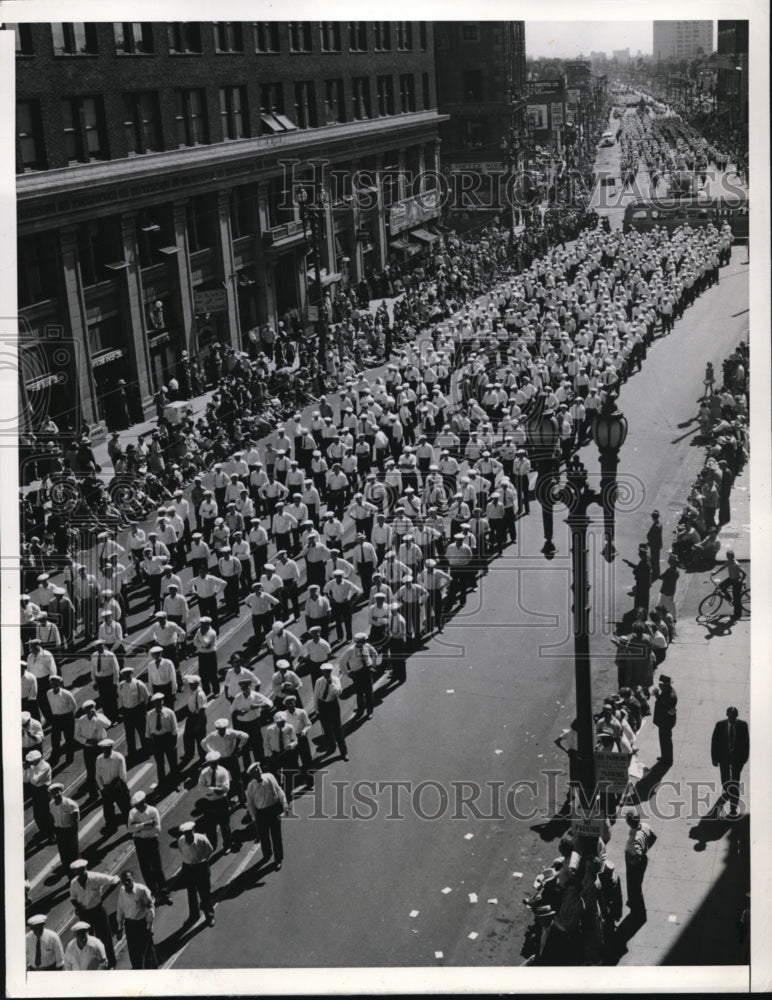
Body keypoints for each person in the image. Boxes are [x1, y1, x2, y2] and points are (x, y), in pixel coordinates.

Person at [68, 859, 120, 968]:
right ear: (75, 872)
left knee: (105, 938)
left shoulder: (95, 878)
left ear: (86, 869)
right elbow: (73, 898)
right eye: (78, 871)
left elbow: (115, 880)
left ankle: (110, 963)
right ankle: (93, 964)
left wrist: (104, 896)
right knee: (87, 941)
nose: (81, 873)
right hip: (85, 914)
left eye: (82, 870)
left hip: (98, 911)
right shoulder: (73, 884)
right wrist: (78, 906)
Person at [245, 760, 288, 870]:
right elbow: (250, 804)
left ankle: (278, 859)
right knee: (264, 837)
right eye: (256, 772)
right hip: (261, 813)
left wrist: (285, 804)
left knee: (276, 836)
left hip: (274, 809)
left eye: (259, 770)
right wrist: (254, 818)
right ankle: (267, 854)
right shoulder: (250, 787)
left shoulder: (270, 776)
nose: (259, 773)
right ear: (252, 775)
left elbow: (278, 790)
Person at [128, 791, 170, 903]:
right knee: (145, 869)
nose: (138, 809)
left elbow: (157, 829)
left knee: (157, 867)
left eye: (139, 806)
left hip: (152, 842)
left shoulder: (153, 811)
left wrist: (139, 828)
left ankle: (164, 891)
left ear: (144, 802)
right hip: (140, 843)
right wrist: (145, 825)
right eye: (136, 807)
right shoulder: (133, 813)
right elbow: (130, 829)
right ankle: (154, 891)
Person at [710, 707, 749, 816]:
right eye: (730, 716)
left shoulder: (743, 725)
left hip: (737, 759)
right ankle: (727, 789)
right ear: (727, 715)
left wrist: (744, 759)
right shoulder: (720, 725)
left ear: (737, 716)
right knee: (725, 777)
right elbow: (714, 742)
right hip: (724, 758)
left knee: (735, 782)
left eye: (734, 716)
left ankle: (733, 807)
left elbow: (746, 743)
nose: (732, 718)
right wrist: (714, 758)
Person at [177, 821, 216, 927]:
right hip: (188, 868)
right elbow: (182, 852)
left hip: (200, 867)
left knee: (205, 892)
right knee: (191, 892)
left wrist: (203, 861)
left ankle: (210, 916)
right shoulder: (181, 841)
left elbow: (210, 850)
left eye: (189, 832)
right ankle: (194, 915)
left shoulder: (201, 839)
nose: (188, 835)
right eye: (186, 833)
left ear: (193, 831)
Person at [116, 870, 157, 969]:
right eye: (124, 880)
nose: (126, 883)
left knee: (148, 951)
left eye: (128, 880)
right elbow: (120, 909)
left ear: (133, 878)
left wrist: (150, 926)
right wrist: (119, 927)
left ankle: (154, 970)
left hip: (142, 924)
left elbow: (150, 907)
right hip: (130, 925)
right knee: (133, 952)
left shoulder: (142, 890)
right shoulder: (122, 892)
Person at [196, 750, 233, 853]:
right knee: (210, 826)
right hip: (209, 802)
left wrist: (209, 789)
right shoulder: (204, 773)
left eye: (215, 762)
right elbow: (200, 788)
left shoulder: (223, 771)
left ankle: (228, 844)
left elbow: (226, 788)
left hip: (221, 801)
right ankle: (212, 844)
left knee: (224, 825)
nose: (213, 765)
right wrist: (214, 790)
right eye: (211, 763)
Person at [623, 809, 656, 919]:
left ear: (629, 822)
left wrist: (630, 860)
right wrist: (646, 848)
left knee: (635, 888)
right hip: (640, 862)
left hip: (634, 866)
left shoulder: (635, 840)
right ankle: (634, 904)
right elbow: (654, 836)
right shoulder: (645, 826)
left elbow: (637, 857)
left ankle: (637, 912)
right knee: (635, 887)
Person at [145, 692, 180, 793]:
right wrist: (150, 746)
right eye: (156, 703)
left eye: (160, 702)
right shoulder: (149, 715)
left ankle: (175, 783)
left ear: (163, 702)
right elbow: (147, 732)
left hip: (168, 738)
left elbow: (174, 729)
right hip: (156, 740)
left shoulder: (169, 713)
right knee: (160, 765)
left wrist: (173, 743)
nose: (158, 705)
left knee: (173, 763)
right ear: (153, 704)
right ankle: (162, 784)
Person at [95, 738, 131, 834]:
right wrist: (102, 788)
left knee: (126, 809)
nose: (105, 751)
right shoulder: (99, 759)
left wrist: (115, 788)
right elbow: (98, 775)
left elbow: (122, 776)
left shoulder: (119, 758)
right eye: (103, 749)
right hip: (106, 789)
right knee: (108, 812)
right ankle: (111, 828)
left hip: (118, 787)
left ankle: (131, 829)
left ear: (111, 748)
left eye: (107, 749)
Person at [313, 663, 348, 760]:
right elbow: (315, 696)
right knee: (326, 728)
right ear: (322, 672)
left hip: (333, 704)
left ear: (331, 672)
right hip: (323, 705)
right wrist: (316, 710)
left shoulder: (336, 679)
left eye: (328, 672)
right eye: (325, 672)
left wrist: (331, 684)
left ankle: (344, 752)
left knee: (338, 728)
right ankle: (331, 746)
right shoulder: (319, 681)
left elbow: (339, 693)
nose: (327, 674)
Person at [340, 633, 378, 718]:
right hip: (357, 674)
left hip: (367, 671)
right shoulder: (350, 651)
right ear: (358, 641)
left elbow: (375, 653)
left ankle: (370, 711)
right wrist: (347, 673)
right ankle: (360, 710)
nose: (365, 642)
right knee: (359, 693)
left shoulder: (367, 646)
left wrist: (373, 664)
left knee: (369, 692)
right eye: (363, 641)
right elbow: (342, 663)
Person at [49, 783, 80, 872]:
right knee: (63, 851)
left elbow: (75, 819)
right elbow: (52, 817)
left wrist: (74, 834)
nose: (56, 795)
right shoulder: (51, 805)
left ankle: (77, 869)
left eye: (58, 792)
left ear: (61, 792)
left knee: (73, 852)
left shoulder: (70, 804)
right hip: (59, 831)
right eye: (53, 793)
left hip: (69, 830)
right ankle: (67, 868)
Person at [711, 549, 747, 619]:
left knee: (736, 599)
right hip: (731, 578)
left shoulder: (736, 564)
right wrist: (716, 572)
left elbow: (744, 574)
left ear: (732, 556)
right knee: (721, 586)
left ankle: (737, 614)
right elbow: (723, 567)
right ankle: (730, 599)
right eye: (727, 556)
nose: (727, 557)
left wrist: (742, 581)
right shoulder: (728, 561)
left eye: (728, 556)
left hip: (737, 580)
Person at [652, 674, 677, 765]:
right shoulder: (666, 691)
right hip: (662, 722)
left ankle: (668, 759)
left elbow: (669, 710)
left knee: (666, 741)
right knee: (663, 740)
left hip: (666, 723)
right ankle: (664, 756)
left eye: (661, 684)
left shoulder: (670, 696)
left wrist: (657, 696)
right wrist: (657, 695)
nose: (659, 686)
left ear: (666, 685)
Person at [646, 511, 663, 581]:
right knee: (655, 559)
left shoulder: (656, 526)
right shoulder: (659, 524)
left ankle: (656, 574)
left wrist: (649, 543)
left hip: (654, 545)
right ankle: (656, 572)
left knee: (654, 559)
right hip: (657, 544)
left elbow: (654, 537)